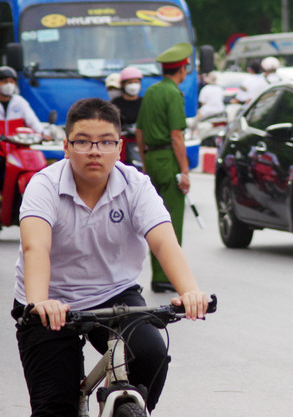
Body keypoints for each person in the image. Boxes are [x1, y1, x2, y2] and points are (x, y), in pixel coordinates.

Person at [10, 97, 211, 416]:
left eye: (105, 142)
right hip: (50, 302)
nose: (95, 150)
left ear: (119, 147)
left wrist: (190, 292)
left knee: (150, 352)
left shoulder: (136, 185)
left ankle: (125, 405)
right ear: (66, 146)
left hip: (113, 295)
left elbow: (163, 242)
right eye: (83, 142)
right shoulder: (44, 185)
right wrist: (39, 302)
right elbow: (37, 247)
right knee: (54, 407)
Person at [136, 42, 192, 294]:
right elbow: (176, 136)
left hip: (152, 159)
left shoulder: (150, 92)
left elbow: (138, 132)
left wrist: (146, 163)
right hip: (169, 161)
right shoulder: (173, 94)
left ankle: (158, 274)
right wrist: (185, 171)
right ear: (181, 69)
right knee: (172, 221)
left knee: (153, 220)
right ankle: (167, 275)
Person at [0, 66, 51, 184]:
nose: (9, 84)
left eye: (11, 81)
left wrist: (45, 134)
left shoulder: (20, 102)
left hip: (18, 151)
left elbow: (33, 121)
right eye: (4, 81)